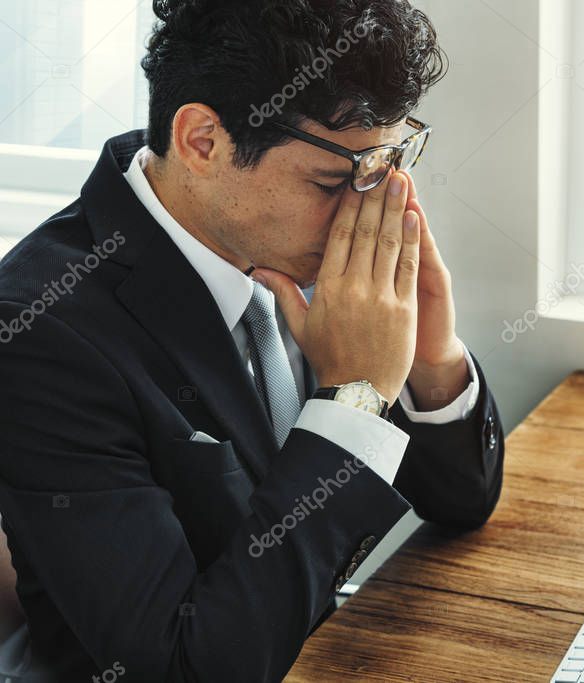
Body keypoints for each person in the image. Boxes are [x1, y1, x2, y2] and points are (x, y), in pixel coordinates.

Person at [0, 0, 504, 679]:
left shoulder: (300, 239)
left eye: (384, 163)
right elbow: (181, 665)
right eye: (335, 178)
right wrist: (354, 401)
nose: (366, 204)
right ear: (202, 141)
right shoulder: (42, 335)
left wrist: (432, 358)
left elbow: (460, 500)